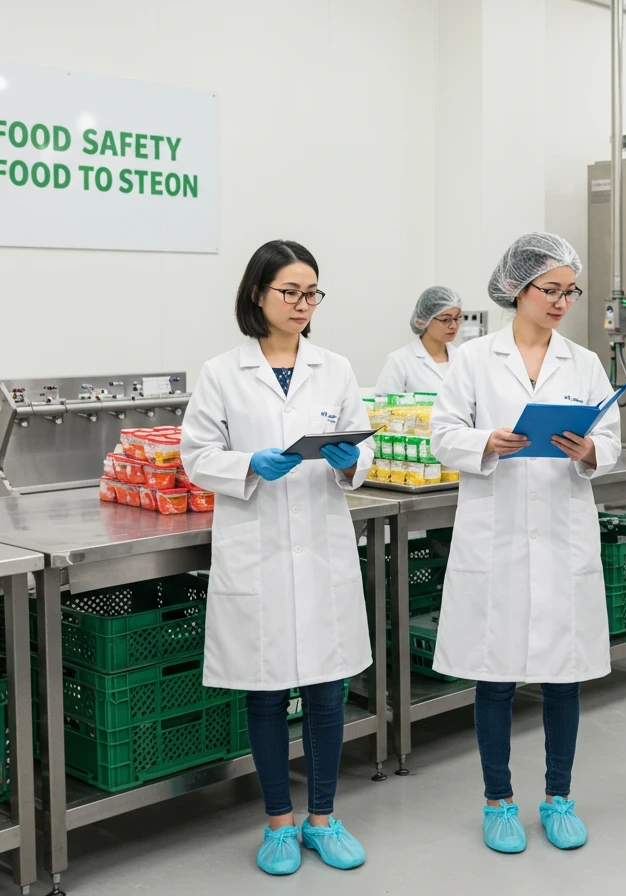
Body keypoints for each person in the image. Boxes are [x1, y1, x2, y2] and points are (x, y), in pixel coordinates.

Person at [181, 240, 374, 876]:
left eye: (311, 293)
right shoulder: (220, 372)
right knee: (265, 694)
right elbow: (197, 454)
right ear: (257, 293)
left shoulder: (335, 367)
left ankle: (322, 818)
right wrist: (247, 464)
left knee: (327, 689)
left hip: (320, 546)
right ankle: (277, 824)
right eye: (290, 291)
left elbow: (360, 441)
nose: (302, 304)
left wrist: (353, 463)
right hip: (257, 545)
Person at [430, 233, 622, 854]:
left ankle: (559, 798)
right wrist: (486, 443)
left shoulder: (585, 361)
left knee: (564, 672)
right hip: (499, 530)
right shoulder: (474, 359)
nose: (563, 301)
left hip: (562, 530)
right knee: (497, 673)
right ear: (519, 288)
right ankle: (498, 801)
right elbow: (442, 434)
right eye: (551, 289)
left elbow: (608, 434)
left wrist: (593, 449)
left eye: (571, 291)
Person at [374, 285, 464, 396]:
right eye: (445, 319)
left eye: (457, 318)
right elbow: (383, 406)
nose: (454, 326)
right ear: (424, 320)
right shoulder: (399, 361)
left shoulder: (463, 358)